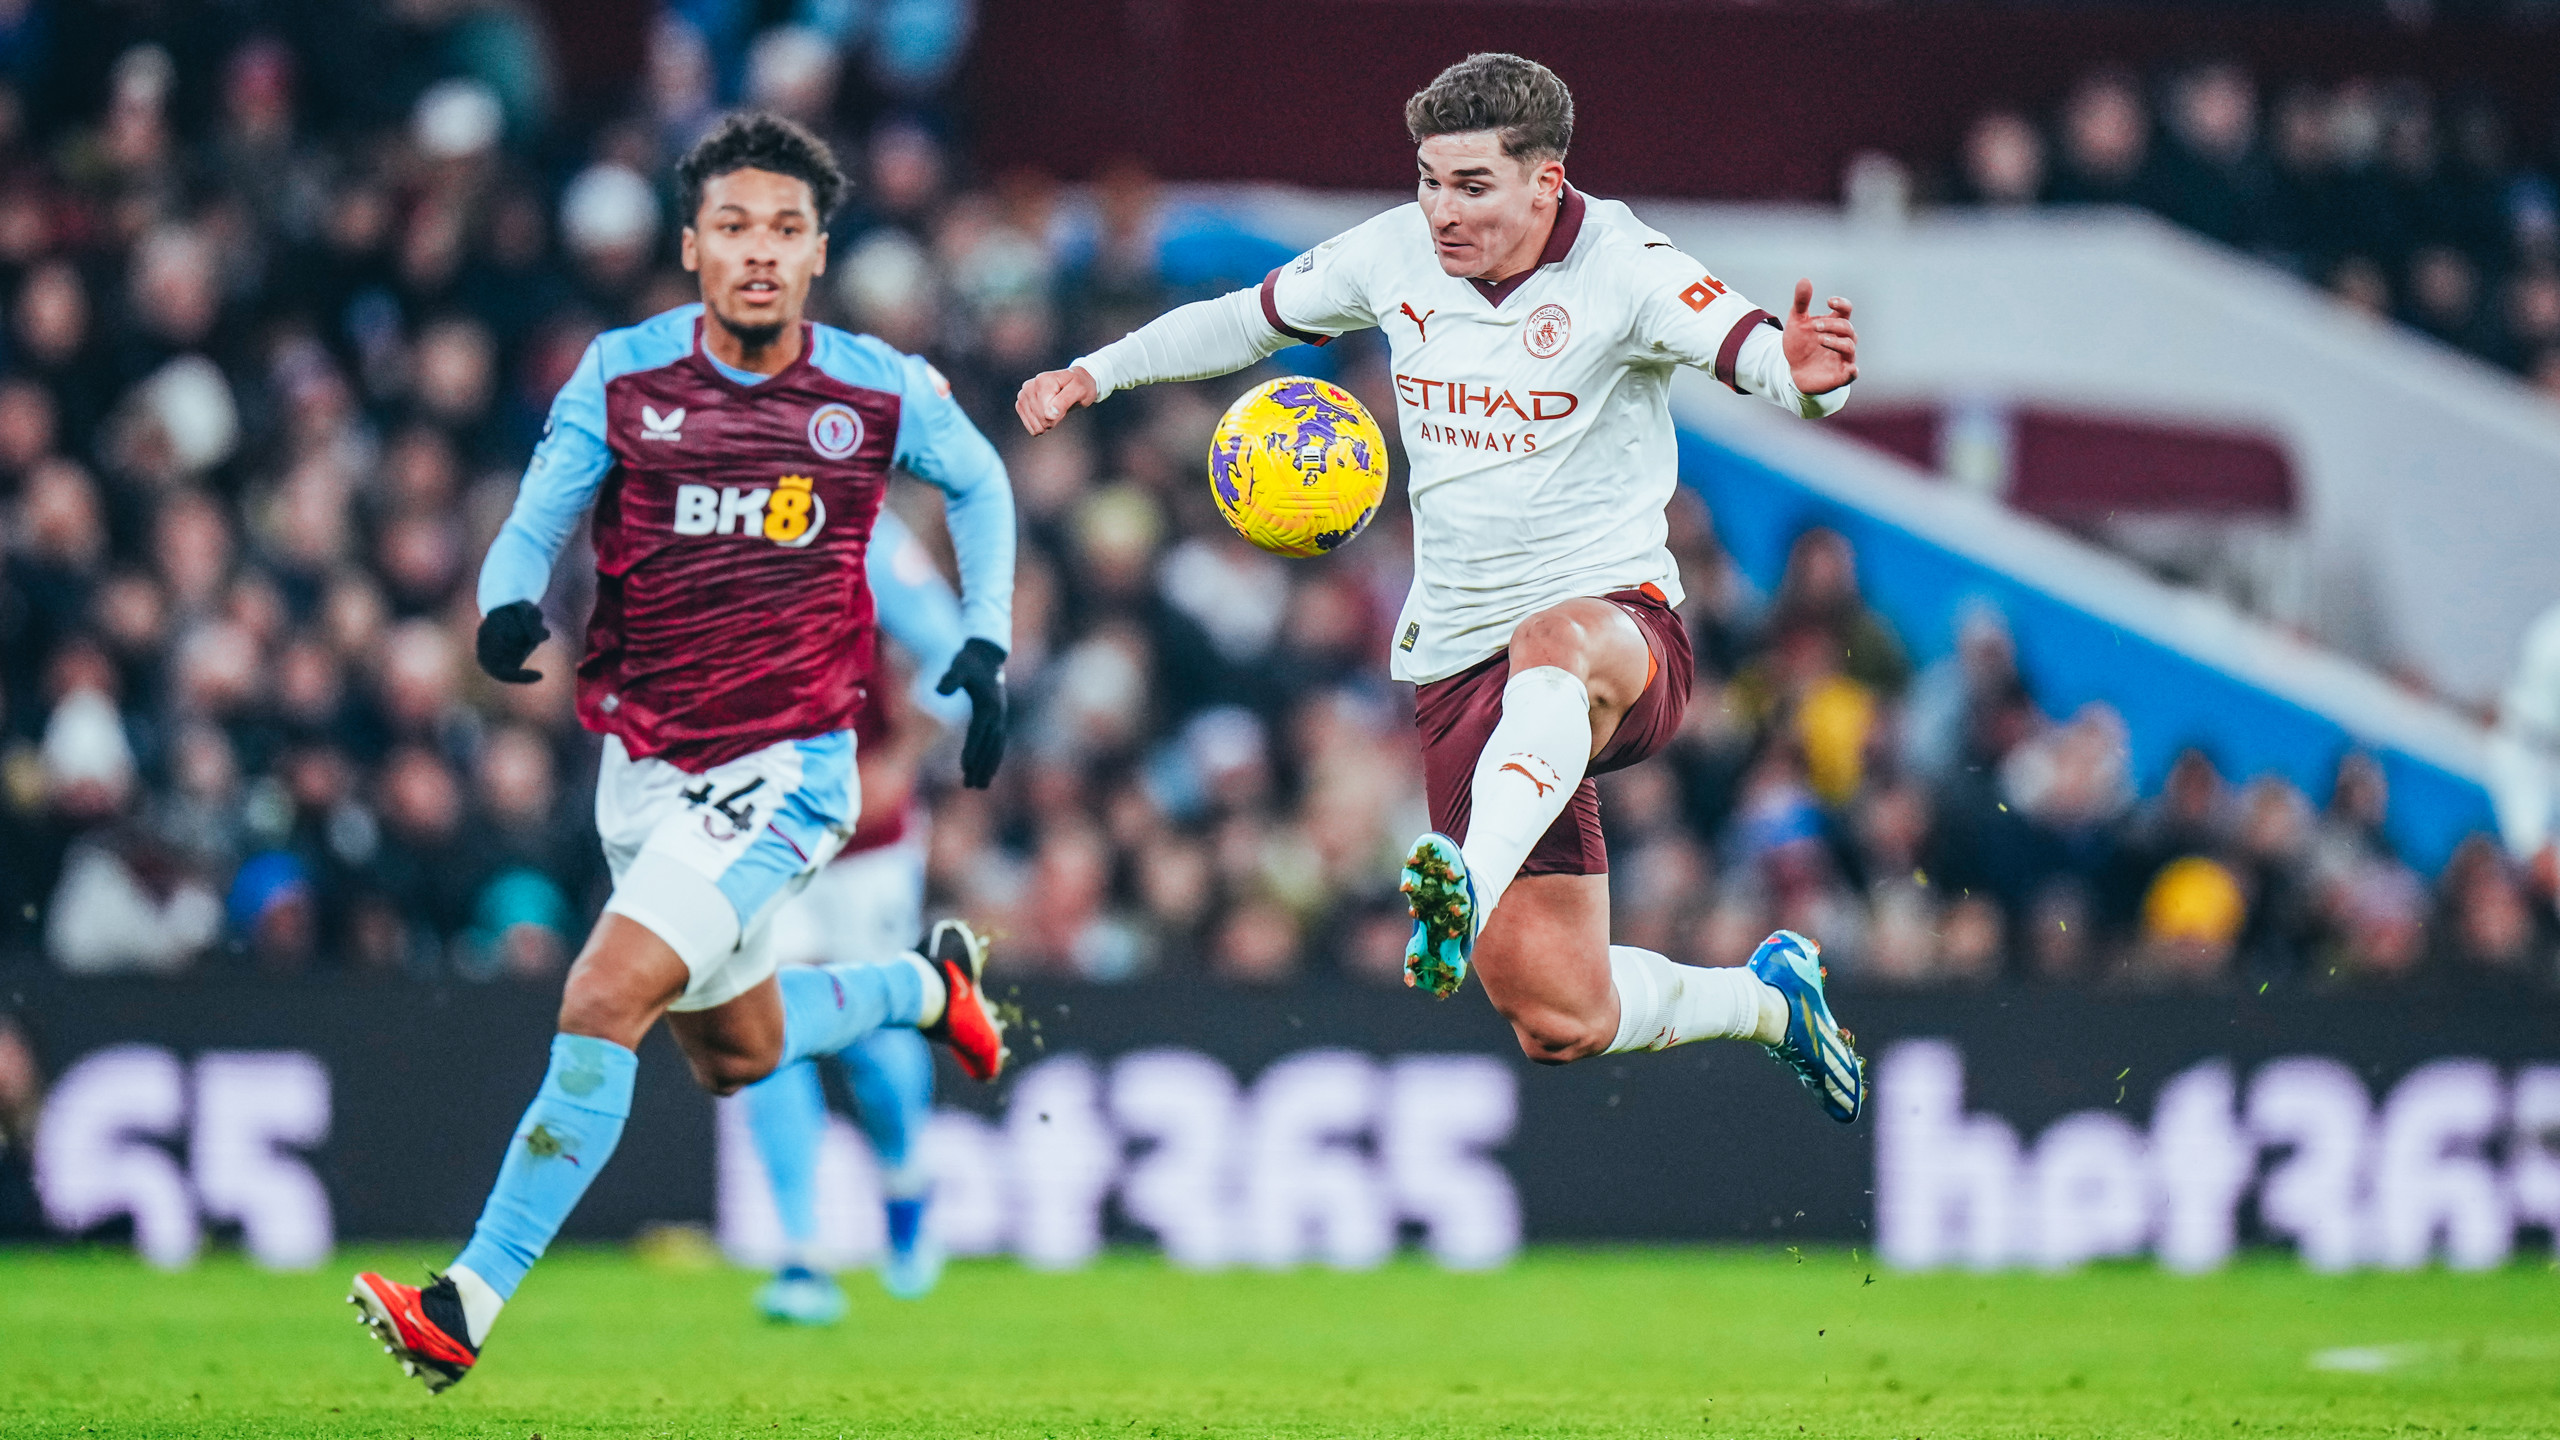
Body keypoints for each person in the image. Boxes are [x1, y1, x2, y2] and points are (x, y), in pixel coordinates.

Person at [1016, 54, 1863, 1122]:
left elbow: (1757, 353)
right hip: (1461, 660)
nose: (1440, 210)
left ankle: (1459, 885)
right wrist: (1096, 371)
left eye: (1471, 186)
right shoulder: (1393, 253)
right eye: (1428, 179)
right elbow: (1247, 318)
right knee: (1561, 1018)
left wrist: (1809, 382)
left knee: (1553, 641)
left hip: (1621, 637)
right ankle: (1766, 1003)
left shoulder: (1629, 268)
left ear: (1545, 184)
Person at [349, 112, 1018, 1394]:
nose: (758, 252)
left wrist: (983, 644)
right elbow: (537, 510)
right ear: (689, 245)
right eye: (732, 227)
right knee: (739, 1052)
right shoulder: (621, 374)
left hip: (790, 769)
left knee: (605, 996)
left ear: (819, 252)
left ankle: (463, 1301)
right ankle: (929, 994)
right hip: (643, 768)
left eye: (784, 230)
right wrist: (503, 599)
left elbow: (982, 483)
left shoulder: (876, 386)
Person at [746, 506, 968, 1325]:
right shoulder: (694, 523)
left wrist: (903, 758)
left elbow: (954, 653)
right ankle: (802, 1256)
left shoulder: (864, 535)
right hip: (762, 835)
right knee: (766, 1032)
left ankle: (905, 1187)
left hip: (867, 842)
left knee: (872, 1045)